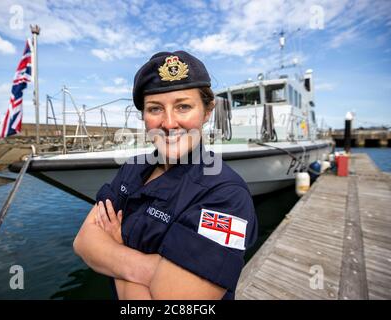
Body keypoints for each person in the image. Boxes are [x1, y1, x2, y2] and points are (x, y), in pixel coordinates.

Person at [73, 51, 258, 300]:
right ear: (144, 117)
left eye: (183, 106)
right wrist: (152, 270)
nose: (169, 123)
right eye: (155, 109)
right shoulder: (132, 169)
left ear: (206, 112)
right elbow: (84, 242)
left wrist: (115, 249)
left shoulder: (227, 195)